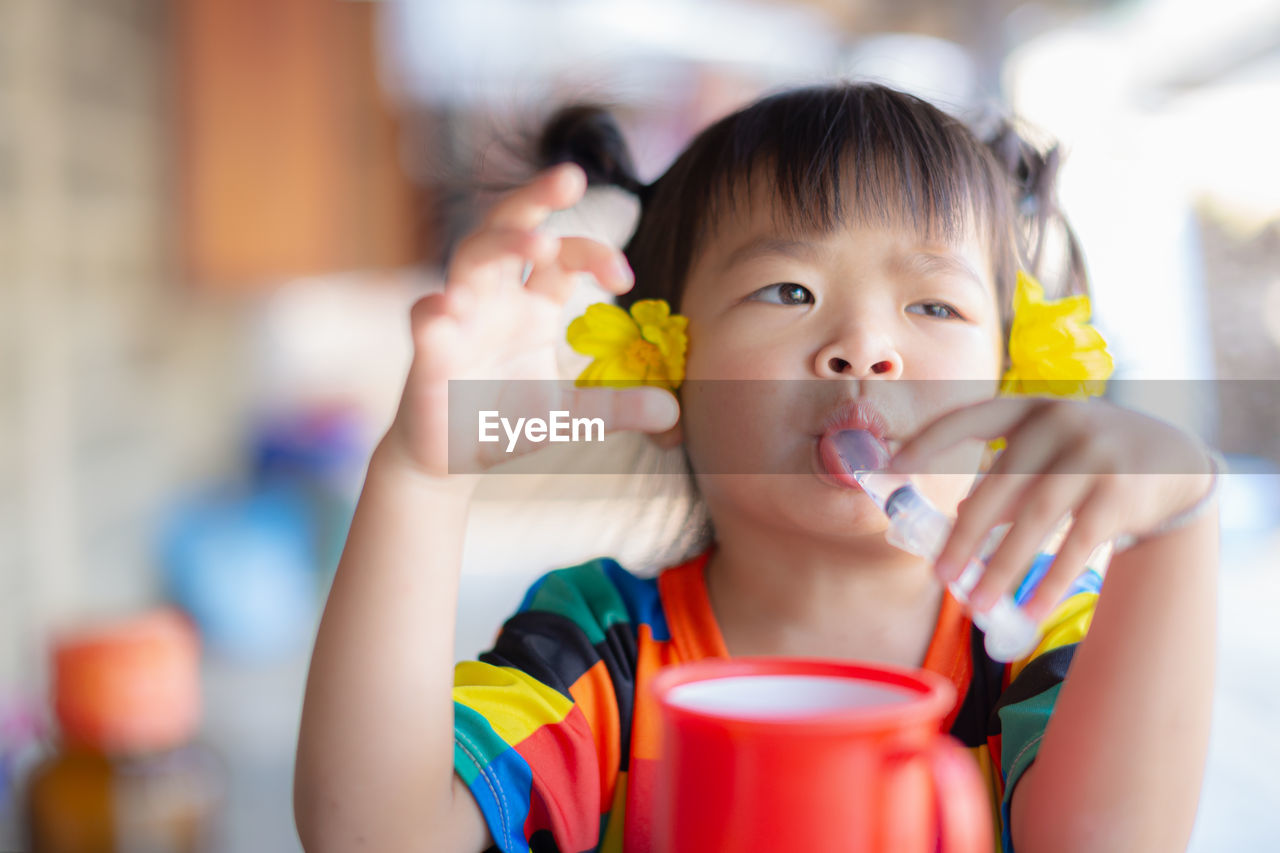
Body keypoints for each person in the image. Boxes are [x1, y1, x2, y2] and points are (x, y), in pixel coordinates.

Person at [293, 83, 1219, 852]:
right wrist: (423, 476)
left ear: (1016, 382)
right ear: (660, 364)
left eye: (934, 306)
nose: (864, 348)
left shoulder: (1040, 633)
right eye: (789, 290)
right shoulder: (602, 650)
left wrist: (1178, 520)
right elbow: (374, 835)